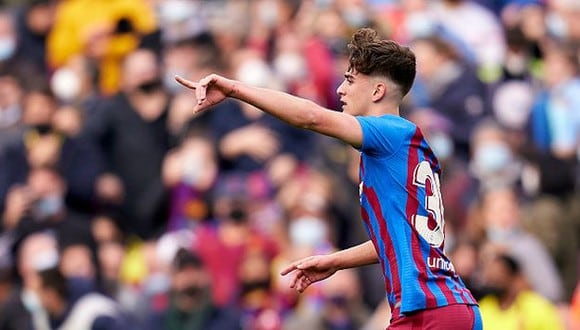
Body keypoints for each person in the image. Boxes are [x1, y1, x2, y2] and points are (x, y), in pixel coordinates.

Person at [175, 27, 481, 329]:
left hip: (428, 311)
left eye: (349, 80)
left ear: (377, 91)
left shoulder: (390, 133)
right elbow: (400, 240)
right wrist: (335, 261)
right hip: (448, 307)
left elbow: (312, 116)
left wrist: (234, 90)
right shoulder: (409, 148)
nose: (339, 90)